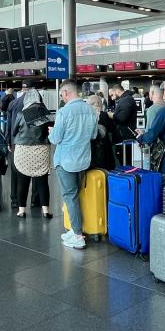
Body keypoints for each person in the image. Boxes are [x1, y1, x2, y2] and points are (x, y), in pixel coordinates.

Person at [49, 81, 98, 250]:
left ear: (65, 92)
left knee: (70, 197)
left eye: (61, 95)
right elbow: (93, 135)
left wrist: (51, 132)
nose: (61, 98)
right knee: (75, 196)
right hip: (83, 160)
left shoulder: (64, 112)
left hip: (66, 161)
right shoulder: (90, 110)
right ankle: (74, 229)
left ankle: (77, 235)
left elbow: (55, 139)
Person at [11, 89, 53, 218]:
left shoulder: (21, 114)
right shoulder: (46, 113)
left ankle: (21, 211)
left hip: (23, 150)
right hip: (41, 150)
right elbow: (51, 129)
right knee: (42, 182)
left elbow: (14, 131)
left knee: (22, 182)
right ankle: (45, 211)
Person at [86, 95, 120, 170]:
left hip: (100, 157)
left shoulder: (100, 116)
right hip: (108, 155)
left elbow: (101, 133)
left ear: (97, 104)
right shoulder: (106, 116)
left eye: (89, 104)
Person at [109, 84, 138, 164]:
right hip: (124, 135)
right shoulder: (125, 99)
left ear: (117, 91)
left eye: (112, 95)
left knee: (125, 161)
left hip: (125, 136)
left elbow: (122, 117)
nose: (111, 98)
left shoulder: (126, 100)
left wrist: (112, 115)